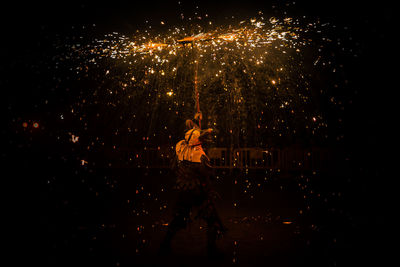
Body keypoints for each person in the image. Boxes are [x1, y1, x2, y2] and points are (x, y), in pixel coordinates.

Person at [159, 113, 226, 259]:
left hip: (184, 190)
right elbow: (210, 176)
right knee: (212, 219)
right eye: (201, 139)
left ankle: (165, 244)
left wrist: (196, 121)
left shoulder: (180, 147)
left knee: (178, 218)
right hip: (198, 192)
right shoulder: (201, 156)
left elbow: (190, 137)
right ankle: (211, 250)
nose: (204, 140)